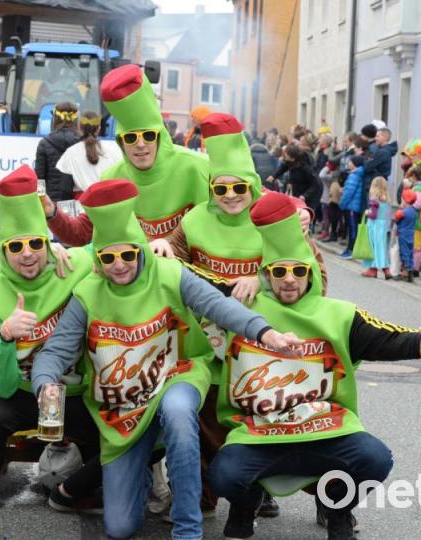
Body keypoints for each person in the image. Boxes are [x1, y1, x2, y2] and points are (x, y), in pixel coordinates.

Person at [30, 179, 305, 540]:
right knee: (120, 527)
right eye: (108, 257)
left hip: (177, 376)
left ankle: (187, 529)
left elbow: (219, 306)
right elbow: (56, 351)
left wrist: (268, 334)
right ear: (98, 260)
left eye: (127, 254)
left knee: (177, 412)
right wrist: (45, 384)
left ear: (139, 251)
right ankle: (144, 464)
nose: (119, 265)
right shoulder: (87, 293)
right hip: (124, 407)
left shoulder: (170, 273)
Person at [207, 191, 421, 540]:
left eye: (298, 270)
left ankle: (337, 509)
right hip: (259, 433)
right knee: (223, 475)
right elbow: (190, 286)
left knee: (375, 459)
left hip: (326, 431)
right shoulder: (240, 309)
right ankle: (246, 505)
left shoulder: (338, 314)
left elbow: (386, 338)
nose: (289, 279)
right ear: (267, 274)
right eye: (279, 271)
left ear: (310, 272)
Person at [148, 112, 328, 520]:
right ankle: (204, 495)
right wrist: (160, 247)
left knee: (292, 419)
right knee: (207, 417)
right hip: (212, 345)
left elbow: (315, 275)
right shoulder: (194, 219)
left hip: (270, 344)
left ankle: (326, 498)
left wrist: (261, 279)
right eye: (221, 187)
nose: (230, 195)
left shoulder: (276, 219)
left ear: (254, 186)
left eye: (239, 187)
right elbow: (173, 262)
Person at [0, 167, 100, 539]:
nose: (27, 255)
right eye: (16, 246)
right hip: (16, 389)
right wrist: (6, 336)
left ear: (46, 243)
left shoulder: (73, 266)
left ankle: (77, 489)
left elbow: (115, 246)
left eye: (35, 244)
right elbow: (2, 385)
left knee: (127, 426)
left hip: (70, 389)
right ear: (3, 250)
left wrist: (157, 247)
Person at [43, 65, 210, 245]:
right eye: (131, 138)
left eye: (148, 135)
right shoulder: (112, 178)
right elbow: (82, 233)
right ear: (121, 142)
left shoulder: (198, 167)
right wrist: (52, 212)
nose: (140, 144)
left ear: (159, 136)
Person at [55, 111, 123, 196]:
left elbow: (66, 188)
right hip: (106, 200)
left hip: (82, 201)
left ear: (80, 128)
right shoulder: (112, 151)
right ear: (99, 129)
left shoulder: (70, 153)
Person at [34, 102, 81, 202]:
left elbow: (39, 179)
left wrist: (42, 202)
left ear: (54, 119)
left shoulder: (44, 144)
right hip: (78, 201)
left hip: (52, 202)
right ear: (76, 120)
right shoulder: (84, 143)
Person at [270, 143, 321, 218]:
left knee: (306, 214)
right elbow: (283, 167)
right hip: (299, 189)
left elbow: (316, 184)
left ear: (292, 157)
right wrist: (273, 176)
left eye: (285, 154)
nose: (283, 156)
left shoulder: (306, 168)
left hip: (312, 193)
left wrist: (305, 195)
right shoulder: (290, 161)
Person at [359, 177, 392, 279]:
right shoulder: (386, 200)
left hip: (374, 226)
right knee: (381, 248)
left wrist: (367, 212)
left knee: (372, 247)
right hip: (383, 226)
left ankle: (372, 269)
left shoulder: (374, 200)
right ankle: (386, 270)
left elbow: (373, 215)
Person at [338, 156, 365, 258]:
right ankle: (352, 249)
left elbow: (349, 192)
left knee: (352, 228)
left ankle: (351, 250)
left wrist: (342, 204)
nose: (348, 163)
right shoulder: (359, 174)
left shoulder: (354, 175)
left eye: (350, 161)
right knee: (354, 227)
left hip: (351, 206)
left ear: (355, 164)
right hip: (356, 205)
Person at [393, 189, 419, 280]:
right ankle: (410, 268)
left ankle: (405, 270)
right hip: (411, 234)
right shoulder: (414, 212)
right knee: (410, 251)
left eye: (402, 199)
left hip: (403, 234)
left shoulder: (403, 212)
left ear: (406, 200)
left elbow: (396, 219)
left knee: (404, 252)